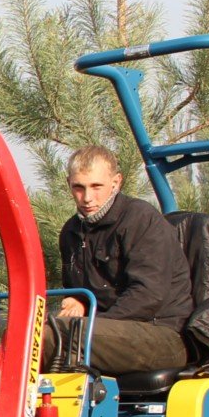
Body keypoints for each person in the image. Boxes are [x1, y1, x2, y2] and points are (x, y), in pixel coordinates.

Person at [46, 145, 192, 375]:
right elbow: (81, 289)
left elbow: (147, 295)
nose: (87, 198)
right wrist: (79, 300)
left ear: (116, 182)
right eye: (79, 187)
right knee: (20, 339)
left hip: (162, 334)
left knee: (54, 337)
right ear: (69, 184)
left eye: (96, 186)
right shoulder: (71, 231)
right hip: (106, 332)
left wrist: (96, 323)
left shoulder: (141, 220)